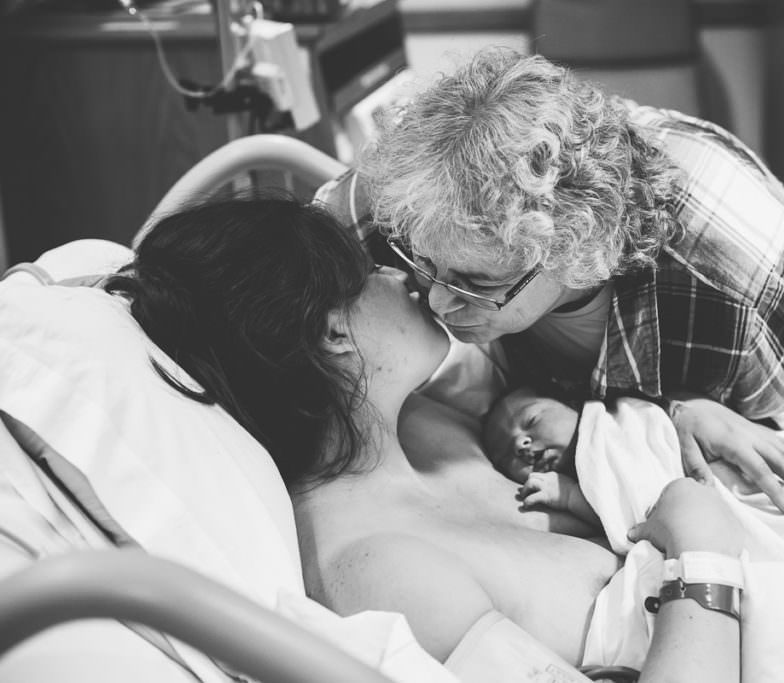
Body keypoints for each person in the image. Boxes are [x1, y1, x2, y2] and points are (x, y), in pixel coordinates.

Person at [105, 195, 744, 681]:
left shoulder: (420, 416)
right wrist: (704, 552)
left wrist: (678, 415)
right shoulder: (378, 571)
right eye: (366, 272)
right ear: (334, 332)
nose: (404, 276)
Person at [341, 48, 784, 515]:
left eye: (474, 281)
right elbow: (291, 257)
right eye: (424, 263)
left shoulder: (731, 273)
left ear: (575, 252)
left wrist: (675, 414)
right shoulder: (415, 193)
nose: (437, 299)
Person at [482, 386, 601, 528]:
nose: (520, 445)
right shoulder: (581, 490)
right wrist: (570, 496)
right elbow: (620, 520)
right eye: (506, 457)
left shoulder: (611, 419)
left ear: (571, 404)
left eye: (531, 420)